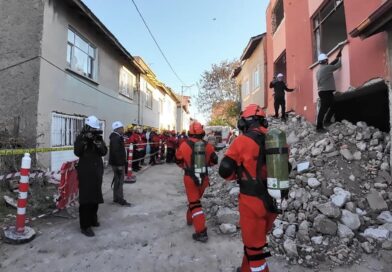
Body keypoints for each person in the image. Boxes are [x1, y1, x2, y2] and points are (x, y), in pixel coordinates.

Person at [218, 104, 279, 272]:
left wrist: (236, 175)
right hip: (272, 200)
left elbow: (225, 170)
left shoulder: (241, 142)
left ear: (245, 123)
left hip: (251, 202)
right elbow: (285, 167)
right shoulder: (275, 139)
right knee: (255, 243)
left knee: (254, 249)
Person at [175, 122, 218, 242]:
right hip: (204, 178)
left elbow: (178, 161)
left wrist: (186, 166)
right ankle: (190, 220)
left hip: (190, 178)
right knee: (195, 202)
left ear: (189, 133)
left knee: (194, 204)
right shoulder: (208, 146)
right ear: (202, 133)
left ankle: (201, 232)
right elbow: (214, 162)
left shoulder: (184, 145)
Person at [74, 115, 107, 237]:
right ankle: (85, 225)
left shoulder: (98, 138)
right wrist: (85, 141)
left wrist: (98, 142)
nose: (93, 131)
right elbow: (77, 152)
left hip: (97, 171)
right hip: (86, 172)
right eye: (92, 129)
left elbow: (104, 152)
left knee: (96, 197)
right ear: (87, 127)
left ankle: (93, 219)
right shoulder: (80, 137)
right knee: (86, 199)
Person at [316, 48, 342, 132]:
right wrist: (340, 58)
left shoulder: (319, 70)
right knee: (323, 109)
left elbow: (330, 65)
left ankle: (327, 121)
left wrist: (335, 59)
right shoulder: (327, 68)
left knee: (333, 105)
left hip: (324, 92)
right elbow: (338, 65)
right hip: (326, 92)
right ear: (326, 60)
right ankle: (319, 127)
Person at [109, 121, 131, 207]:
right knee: (120, 182)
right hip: (118, 163)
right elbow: (116, 152)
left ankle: (116, 197)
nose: (123, 129)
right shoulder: (116, 138)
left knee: (117, 181)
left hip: (117, 162)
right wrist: (119, 165)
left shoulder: (117, 137)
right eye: (122, 128)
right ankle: (120, 199)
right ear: (118, 129)